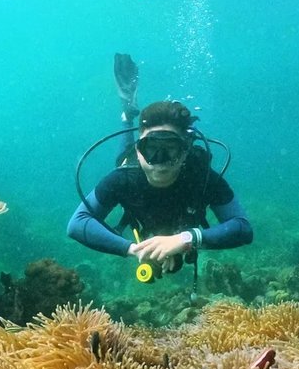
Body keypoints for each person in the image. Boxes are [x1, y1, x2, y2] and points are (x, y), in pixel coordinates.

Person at [67, 56, 252, 276]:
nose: (160, 160)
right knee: (121, 159)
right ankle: (127, 114)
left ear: (185, 151)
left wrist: (186, 239)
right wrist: (135, 250)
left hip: (179, 228)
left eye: (171, 148)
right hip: (130, 164)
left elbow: (243, 228)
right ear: (139, 150)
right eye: (151, 148)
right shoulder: (124, 177)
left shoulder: (201, 177)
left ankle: (135, 123)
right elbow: (77, 225)